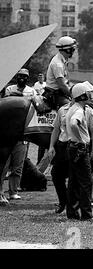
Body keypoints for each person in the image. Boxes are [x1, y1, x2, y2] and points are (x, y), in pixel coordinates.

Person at [65, 81, 93, 221]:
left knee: (73, 182)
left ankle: (72, 213)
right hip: (79, 148)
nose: (90, 94)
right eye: (88, 93)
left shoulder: (74, 108)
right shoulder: (79, 110)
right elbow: (74, 123)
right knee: (86, 182)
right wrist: (81, 140)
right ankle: (86, 215)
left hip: (72, 147)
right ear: (83, 95)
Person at [2, 69, 37, 201]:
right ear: (16, 77)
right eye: (20, 76)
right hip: (8, 133)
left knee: (18, 166)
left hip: (22, 135)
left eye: (25, 77)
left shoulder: (32, 91)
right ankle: (1, 191)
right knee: (4, 165)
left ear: (28, 79)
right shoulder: (9, 89)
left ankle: (13, 191)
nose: (22, 78)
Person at [47, 101, 71, 213]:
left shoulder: (87, 110)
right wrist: (51, 146)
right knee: (56, 175)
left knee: (74, 176)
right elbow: (56, 129)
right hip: (62, 145)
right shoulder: (63, 110)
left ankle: (72, 203)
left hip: (76, 145)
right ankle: (63, 201)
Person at [42, 36, 77, 111]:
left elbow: (66, 82)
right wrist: (74, 96)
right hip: (55, 95)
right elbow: (62, 85)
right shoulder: (58, 64)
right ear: (67, 50)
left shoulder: (62, 60)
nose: (74, 51)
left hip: (59, 93)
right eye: (73, 49)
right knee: (73, 109)